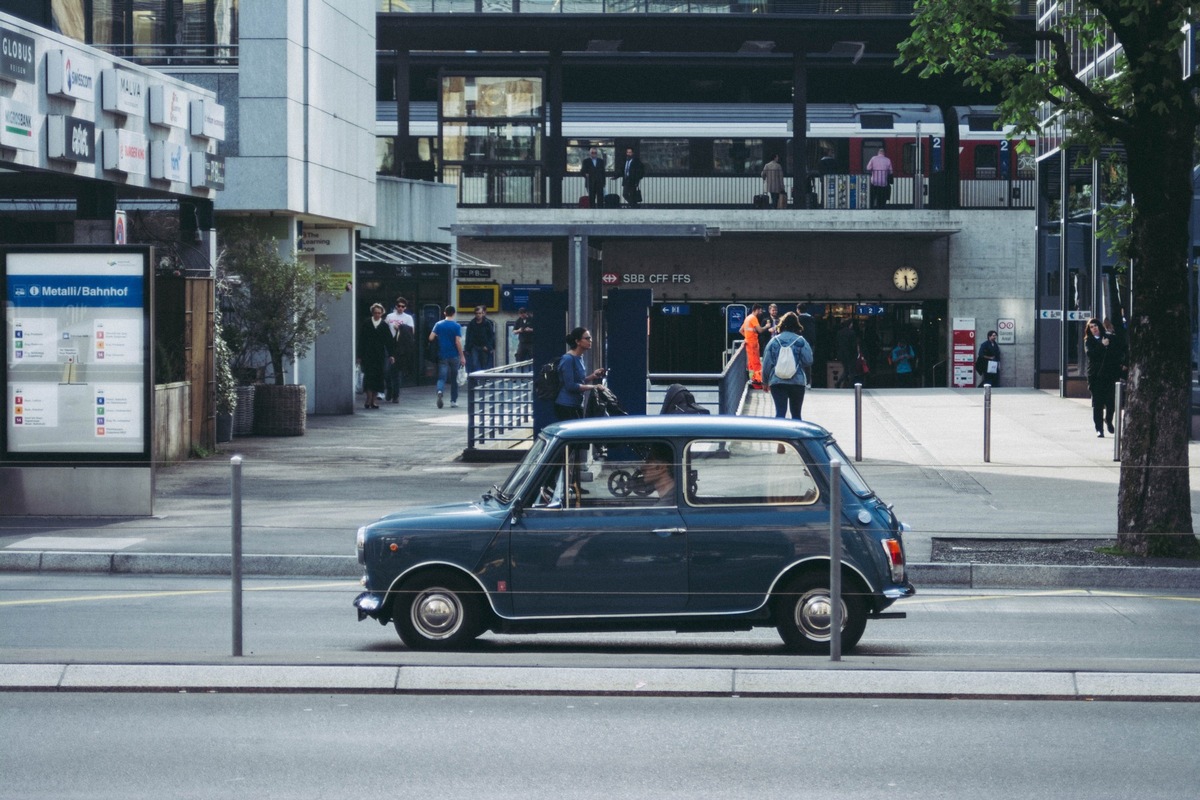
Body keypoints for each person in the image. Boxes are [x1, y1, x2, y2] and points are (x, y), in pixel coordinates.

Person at [762, 312, 814, 419]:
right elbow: (808, 361)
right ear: (797, 325)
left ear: (782, 324)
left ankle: (779, 435)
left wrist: (765, 381)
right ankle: (796, 435)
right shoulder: (801, 341)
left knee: (780, 413)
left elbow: (766, 363)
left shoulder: (774, 341)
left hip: (777, 381)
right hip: (797, 382)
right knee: (796, 414)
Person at [554, 327, 606, 421]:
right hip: (566, 406)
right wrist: (594, 387)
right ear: (578, 341)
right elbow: (571, 386)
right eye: (587, 338)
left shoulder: (579, 357)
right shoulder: (568, 359)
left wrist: (592, 376)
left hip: (577, 404)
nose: (590, 341)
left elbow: (579, 381)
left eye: (590, 338)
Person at [1085, 318, 1123, 437]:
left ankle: (1109, 420)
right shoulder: (1089, 341)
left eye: (1095, 325)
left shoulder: (1109, 338)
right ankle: (1099, 429)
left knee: (1110, 402)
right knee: (1098, 404)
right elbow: (1091, 355)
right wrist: (1102, 345)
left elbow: (1116, 353)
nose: (1094, 328)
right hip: (1096, 377)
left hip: (1109, 375)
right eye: (1091, 327)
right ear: (1089, 330)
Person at [356, 303, 395, 410]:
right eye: (375, 313)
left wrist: (391, 355)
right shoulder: (367, 323)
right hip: (368, 354)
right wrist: (359, 355)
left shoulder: (384, 325)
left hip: (379, 355)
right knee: (368, 377)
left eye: (379, 313)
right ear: (372, 313)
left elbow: (389, 341)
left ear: (382, 313)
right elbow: (361, 340)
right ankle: (368, 399)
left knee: (378, 377)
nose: (377, 315)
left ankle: (374, 400)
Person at [428, 305, 465, 409]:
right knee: (454, 379)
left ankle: (440, 391)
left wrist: (439, 337)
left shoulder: (438, 324)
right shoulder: (456, 326)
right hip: (454, 355)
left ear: (444, 313)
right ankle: (453, 401)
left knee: (441, 377)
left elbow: (430, 338)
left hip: (442, 354)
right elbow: (457, 342)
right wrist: (462, 356)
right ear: (454, 313)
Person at [383, 296, 414, 403]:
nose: (400, 308)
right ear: (396, 306)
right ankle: (389, 389)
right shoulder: (389, 316)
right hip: (389, 343)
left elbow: (411, 332)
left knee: (396, 371)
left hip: (400, 345)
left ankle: (395, 395)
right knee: (386, 371)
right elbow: (384, 328)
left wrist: (400, 328)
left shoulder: (408, 318)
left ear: (405, 307)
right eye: (399, 306)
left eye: (403, 306)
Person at [464, 305, 496, 373]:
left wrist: (489, 347)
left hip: (484, 347)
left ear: (482, 313)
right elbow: (468, 336)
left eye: (480, 313)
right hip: (474, 346)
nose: (478, 315)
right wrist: (467, 348)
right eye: (477, 313)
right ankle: (476, 379)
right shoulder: (471, 323)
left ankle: (483, 380)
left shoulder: (487, 323)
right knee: (474, 363)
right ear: (475, 314)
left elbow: (491, 336)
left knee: (484, 364)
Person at [740, 303, 766, 387]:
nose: (761, 313)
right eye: (760, 311)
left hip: (748, 343)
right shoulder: (753, 318)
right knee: (756, 364)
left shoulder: (747, 318)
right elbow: (760, 330)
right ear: (757, 310)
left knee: (751, 364)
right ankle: (758, 382)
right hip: (753, 344)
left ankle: (752, 381)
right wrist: (767, 326)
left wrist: (747, 337)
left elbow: (741, 330)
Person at [835, 318, 859, 388]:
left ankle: (841, 382)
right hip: (851, 354)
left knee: (846, 369)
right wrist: (856, 354)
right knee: (851, 371)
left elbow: (837, 344)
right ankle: (849, 384)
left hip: (842, 354)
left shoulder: (839, 332)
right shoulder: (852, 333)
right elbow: (853, 345)